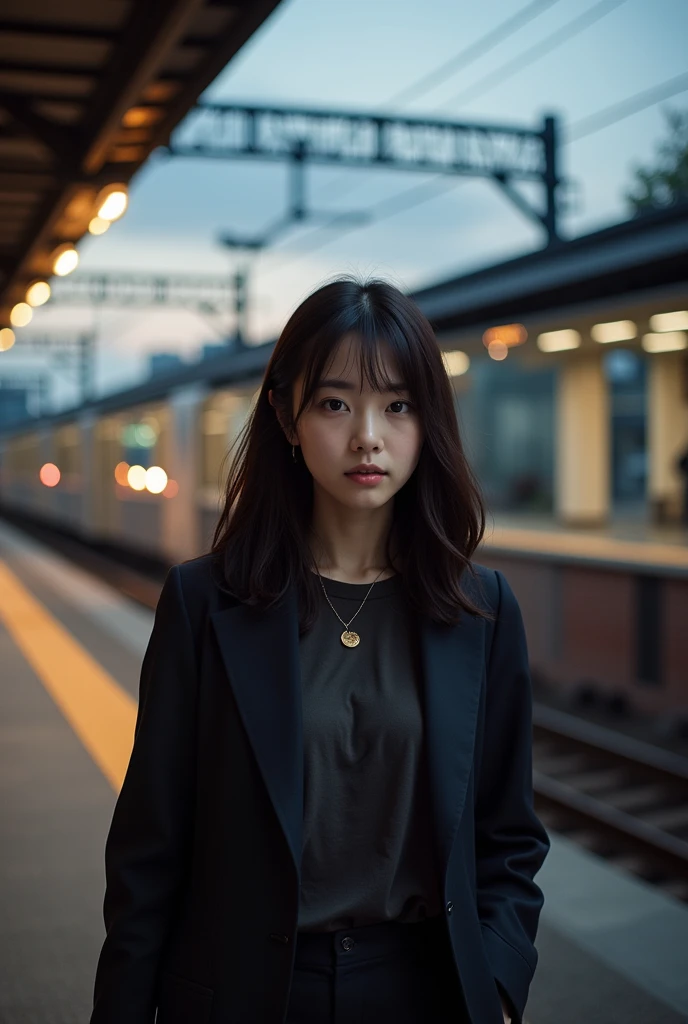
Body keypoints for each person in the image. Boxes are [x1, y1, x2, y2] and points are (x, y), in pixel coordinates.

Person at [90, 276, 550, 1024]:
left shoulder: (481, 609)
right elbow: (148, 855)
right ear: (287, 415)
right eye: (336, 403)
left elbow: (508, 837)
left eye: (398, 405)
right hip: (245, 995)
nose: (368, 434)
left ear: (428, 421)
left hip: (424, 992)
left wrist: (497, 984)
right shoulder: (205, 604)